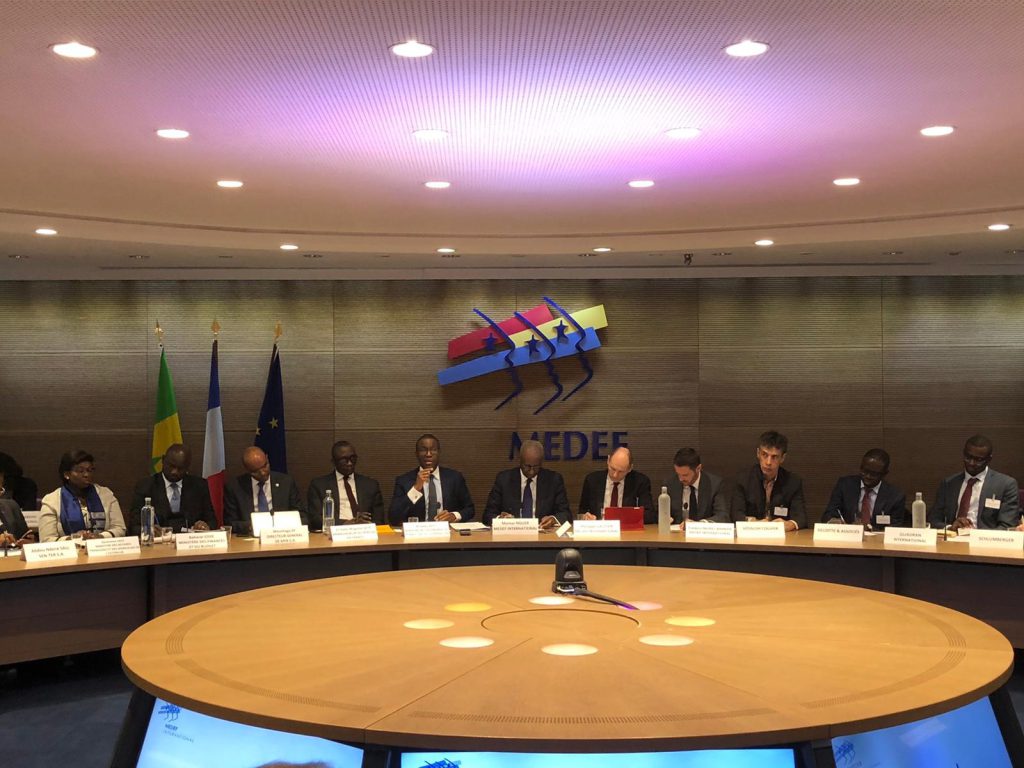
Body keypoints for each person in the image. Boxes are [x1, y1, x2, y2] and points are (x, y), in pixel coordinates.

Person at [929, 435, 1020, 531]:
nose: (971, 463)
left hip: (986, 539)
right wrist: (950, 528)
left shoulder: (1005, 485)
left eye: (978, 460)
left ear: (989, 459)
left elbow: (1007, 525)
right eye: (968, 457)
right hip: (953, 537)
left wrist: (978, 536)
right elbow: (933, 519)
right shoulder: (949, 483)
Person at [127, 444, 217, 535]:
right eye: (171, 466)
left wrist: (205, 526)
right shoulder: (145, 486)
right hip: (158, 541)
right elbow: (133, 526)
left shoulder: (199, 486)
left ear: (187, 467)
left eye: (180, 468)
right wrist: (148, 530)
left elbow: (212, 521)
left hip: (189, 540)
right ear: (163, 460)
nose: (174, 472)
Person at [38, 449, 126, 541]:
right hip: (69, 549)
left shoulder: (106, 494)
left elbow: (120, 529)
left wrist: (100, 537)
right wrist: (74, 539)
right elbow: (46, 539)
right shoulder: (51, 500)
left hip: (102, 548)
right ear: (66, 474)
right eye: (80, 471)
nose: (86, 474)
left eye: (90, 470)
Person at [388, 434, 475, 526]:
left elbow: (470, 509)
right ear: (416, 454)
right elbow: (393, 517)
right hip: (417, 532)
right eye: (423, 450)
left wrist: (454, 516)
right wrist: (416, 488)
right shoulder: (404, 481)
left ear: (439, 452)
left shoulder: (454, 478)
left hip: (447, 531)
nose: (428, 454)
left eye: (433, 450)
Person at [483, 439, 570, 529]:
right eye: (527, 466)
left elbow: (566, 514)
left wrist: (553, 519)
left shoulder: (554, 480)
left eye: (536, 467)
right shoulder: (504, 480)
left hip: (542, 533)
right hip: (512, 532)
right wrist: (501, 520)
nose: (531, 471)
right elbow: (488, 514)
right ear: (520, 461)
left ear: (541, 463)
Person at [731, 431, 806, 531]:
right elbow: (735, 514)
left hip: (781, 536)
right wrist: (752, 522)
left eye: (774, 457)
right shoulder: (743, 479)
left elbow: (801, 517)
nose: (768, 462)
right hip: (752, 535)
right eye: (764, 455)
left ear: (782, 458)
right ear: (758, 453)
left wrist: (789, 524)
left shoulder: (793, 482)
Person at [223, 446, 306, 535]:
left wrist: (283, 523)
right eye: (256, 471)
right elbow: (230, 523)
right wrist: (252, 525)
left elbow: (302, 516)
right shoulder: (235, 487)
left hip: (281, 534)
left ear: (267, 458)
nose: (263, 472)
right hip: (251, 536)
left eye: (264, 466)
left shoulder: (286, 482)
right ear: (247, 469)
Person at [307, 440, 385, 529]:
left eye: (353, 458)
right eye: (344, 460)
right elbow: (315, 519)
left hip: (364, 532)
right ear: (334, 462)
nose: (350, 463)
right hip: (334, 532)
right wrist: (344, 524)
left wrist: (365, 524)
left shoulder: (371, 485)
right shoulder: (319, 485)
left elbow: (379, 520)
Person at [822, 449, 906, 529]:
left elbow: (895, 527)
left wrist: (870, 529)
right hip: (848, 536)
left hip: (877, 538)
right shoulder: (845, 485)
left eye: (873, 474)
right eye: (864, 471)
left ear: (884, 474)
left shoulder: (895, 496)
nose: (867, 476)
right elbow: (829, 513)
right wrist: (833, 521)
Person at [577, 446, 654, 521]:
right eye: (613, 469)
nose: (615, 475)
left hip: (627, 528)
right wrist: (585, 517)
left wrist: (625, 517)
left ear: (630, 468)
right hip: (600, 527)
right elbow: (581, 512)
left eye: (621, 471)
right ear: (608, 460)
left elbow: (649, 515)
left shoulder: (640, 482)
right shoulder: (592, 480)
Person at [663, 447, 731, 524]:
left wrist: (699, 524)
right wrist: (665, 518)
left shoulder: (715, 484)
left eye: (685, 475)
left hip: (703, 531)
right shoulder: (670, 484)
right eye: (678, 474)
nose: (680, 479)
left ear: (698, 468)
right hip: (677, 531)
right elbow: (660, 513)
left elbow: (723, 516)